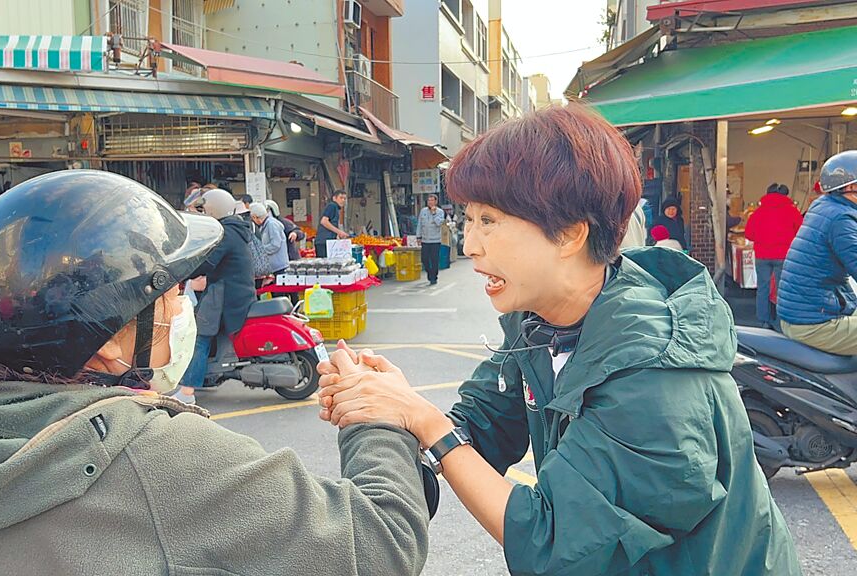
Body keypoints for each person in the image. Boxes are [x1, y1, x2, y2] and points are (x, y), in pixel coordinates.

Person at [0, 170, 430, 576]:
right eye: (166, 292)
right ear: (107, 336)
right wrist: (373, 419)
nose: (179, 305)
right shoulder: (164, 457)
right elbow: (379, 545)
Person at [315, 106, 800, 575]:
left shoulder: (652, 374)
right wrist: (382, 405)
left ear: (568, 234)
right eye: (469, 219)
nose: (469, 245)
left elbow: (553, 545)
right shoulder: (538, 320)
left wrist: (422, 418)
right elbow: (484, 423)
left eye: (489, 221)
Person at [178, 188, 256, 405]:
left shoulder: (226, 234)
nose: (203, 214)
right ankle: (206, 375)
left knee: (199, 337)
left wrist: (181, 272)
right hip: (235, 293)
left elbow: (207, 262)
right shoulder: (236, 229)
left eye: (204, 210)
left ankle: (186, 392)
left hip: (224, 294)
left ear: (213, 210)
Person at [779, 150, 857, 355]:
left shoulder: (824, 206)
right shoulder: (840, 219)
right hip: (813, 322)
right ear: (850, 187)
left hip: (803, 312)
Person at [745, 182, 803, 330]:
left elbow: (749, 234)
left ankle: (763, 320)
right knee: (781, 289)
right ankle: (780, 321)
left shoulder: (759, 212)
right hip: (783, 256)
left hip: (762, 255)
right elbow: (801, 233)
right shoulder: (792, 211)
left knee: (763, 288)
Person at [251, 203, 289, 278]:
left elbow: (275, 245)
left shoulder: (272, 224)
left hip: (279, 267)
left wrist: (260, 251)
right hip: (274, 267)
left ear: (255, 217)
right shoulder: (265, 225)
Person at [416, 194, 446, 286]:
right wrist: (418, 236)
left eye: (432, 200)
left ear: (436, 202)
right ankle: (429, 273)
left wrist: (434, 214)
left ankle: (434, 277)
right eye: (429, 200)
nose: (430, 202)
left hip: (435, 240)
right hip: (425, 240)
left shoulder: (440, 212)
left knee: (434, 260)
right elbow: (419, 224)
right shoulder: (423, 211)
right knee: (424, 259)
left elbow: (439, 223)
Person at [315, 190, 349, 258]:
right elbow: (324, 221)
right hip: (324, 242)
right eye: (341, 198)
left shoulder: (335, 208)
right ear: (334, 198)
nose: (343, 200)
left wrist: (337, 235)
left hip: (327, 242)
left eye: (344, 198)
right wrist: (339, 232)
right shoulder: (332, 205)